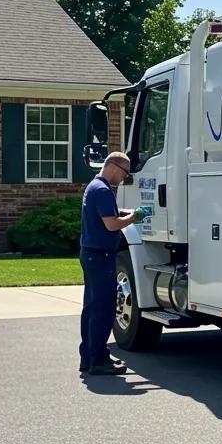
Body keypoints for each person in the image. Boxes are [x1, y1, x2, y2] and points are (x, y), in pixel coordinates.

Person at [79, 152, 144, 376]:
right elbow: (112, 224)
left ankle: (88, 357)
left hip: (89, 254)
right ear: (115, 167)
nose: (123, 178)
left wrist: (131, 212)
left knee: (91, 307)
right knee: (104, 309)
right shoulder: (104, 190)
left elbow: (110, 214)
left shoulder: (93, 187)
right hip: (101, 256)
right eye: (125, 173)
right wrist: (134, 218)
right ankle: (98, 360)